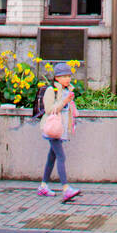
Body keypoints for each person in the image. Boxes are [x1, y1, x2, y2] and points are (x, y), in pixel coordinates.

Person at [37, 61, 80, 203]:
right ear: (57, 77)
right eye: (64, 76)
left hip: (60, 129)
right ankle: (66, 188)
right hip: (52, 129)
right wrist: (64, 101)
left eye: (69, 76)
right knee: (61, 157)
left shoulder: (67, 90)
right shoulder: (52, 90)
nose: (68, 79)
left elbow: (68, 110)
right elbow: (49, 110)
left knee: (52, 156)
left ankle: (43, 185)